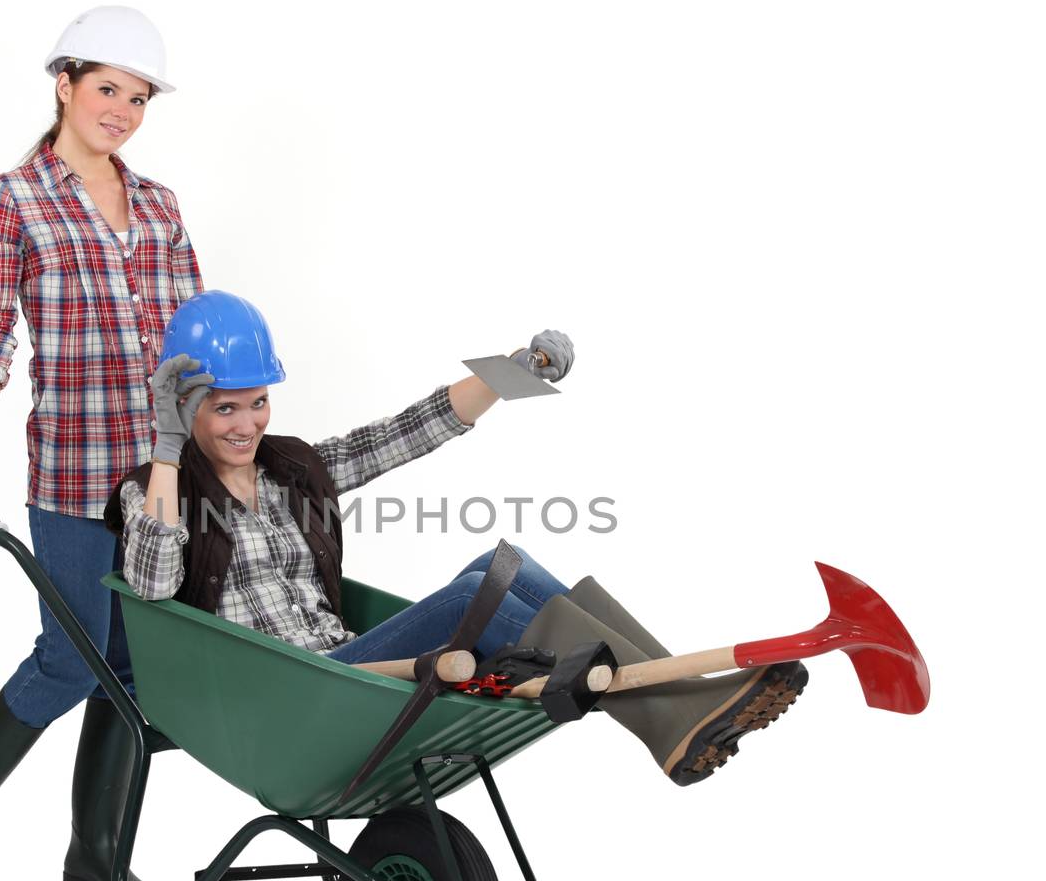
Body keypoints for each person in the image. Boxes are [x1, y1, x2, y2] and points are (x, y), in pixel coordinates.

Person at [112, 292, 805, 785]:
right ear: (183, 409)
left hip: (345, 666)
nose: (246, 423)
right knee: (472, 596)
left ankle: (685, 690)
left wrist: (513, 370)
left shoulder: (290, 470)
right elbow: (149, 585)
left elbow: (403, 433)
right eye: (223, 408)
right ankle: (672, 711)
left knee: (505, 565)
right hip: (291, 693)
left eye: (257, 401)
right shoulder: (154, 488)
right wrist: (167, 447)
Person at [0, 6, 197, 881]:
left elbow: (191, 345)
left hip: (160, 477)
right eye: (107, 88)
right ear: (64, 84)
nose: (122, 110)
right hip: (72, 471)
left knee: (139, 666)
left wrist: (197, 459)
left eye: (138, 97)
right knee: (72, 659)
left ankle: (96, 856)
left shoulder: (158, 204)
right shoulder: (12, 198)